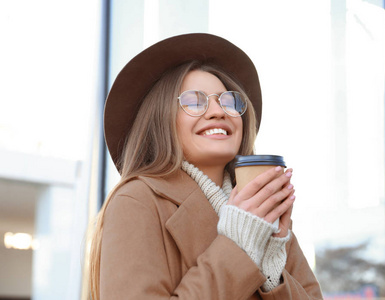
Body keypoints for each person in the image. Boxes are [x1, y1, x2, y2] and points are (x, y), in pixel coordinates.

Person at [89, 33, 323, 299]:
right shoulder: (137, 199)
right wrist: (238, 246)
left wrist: (272, 274)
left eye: (229, 101)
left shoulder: (260, 210)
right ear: (160, 118)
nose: (218, 111)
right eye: (193, 101)